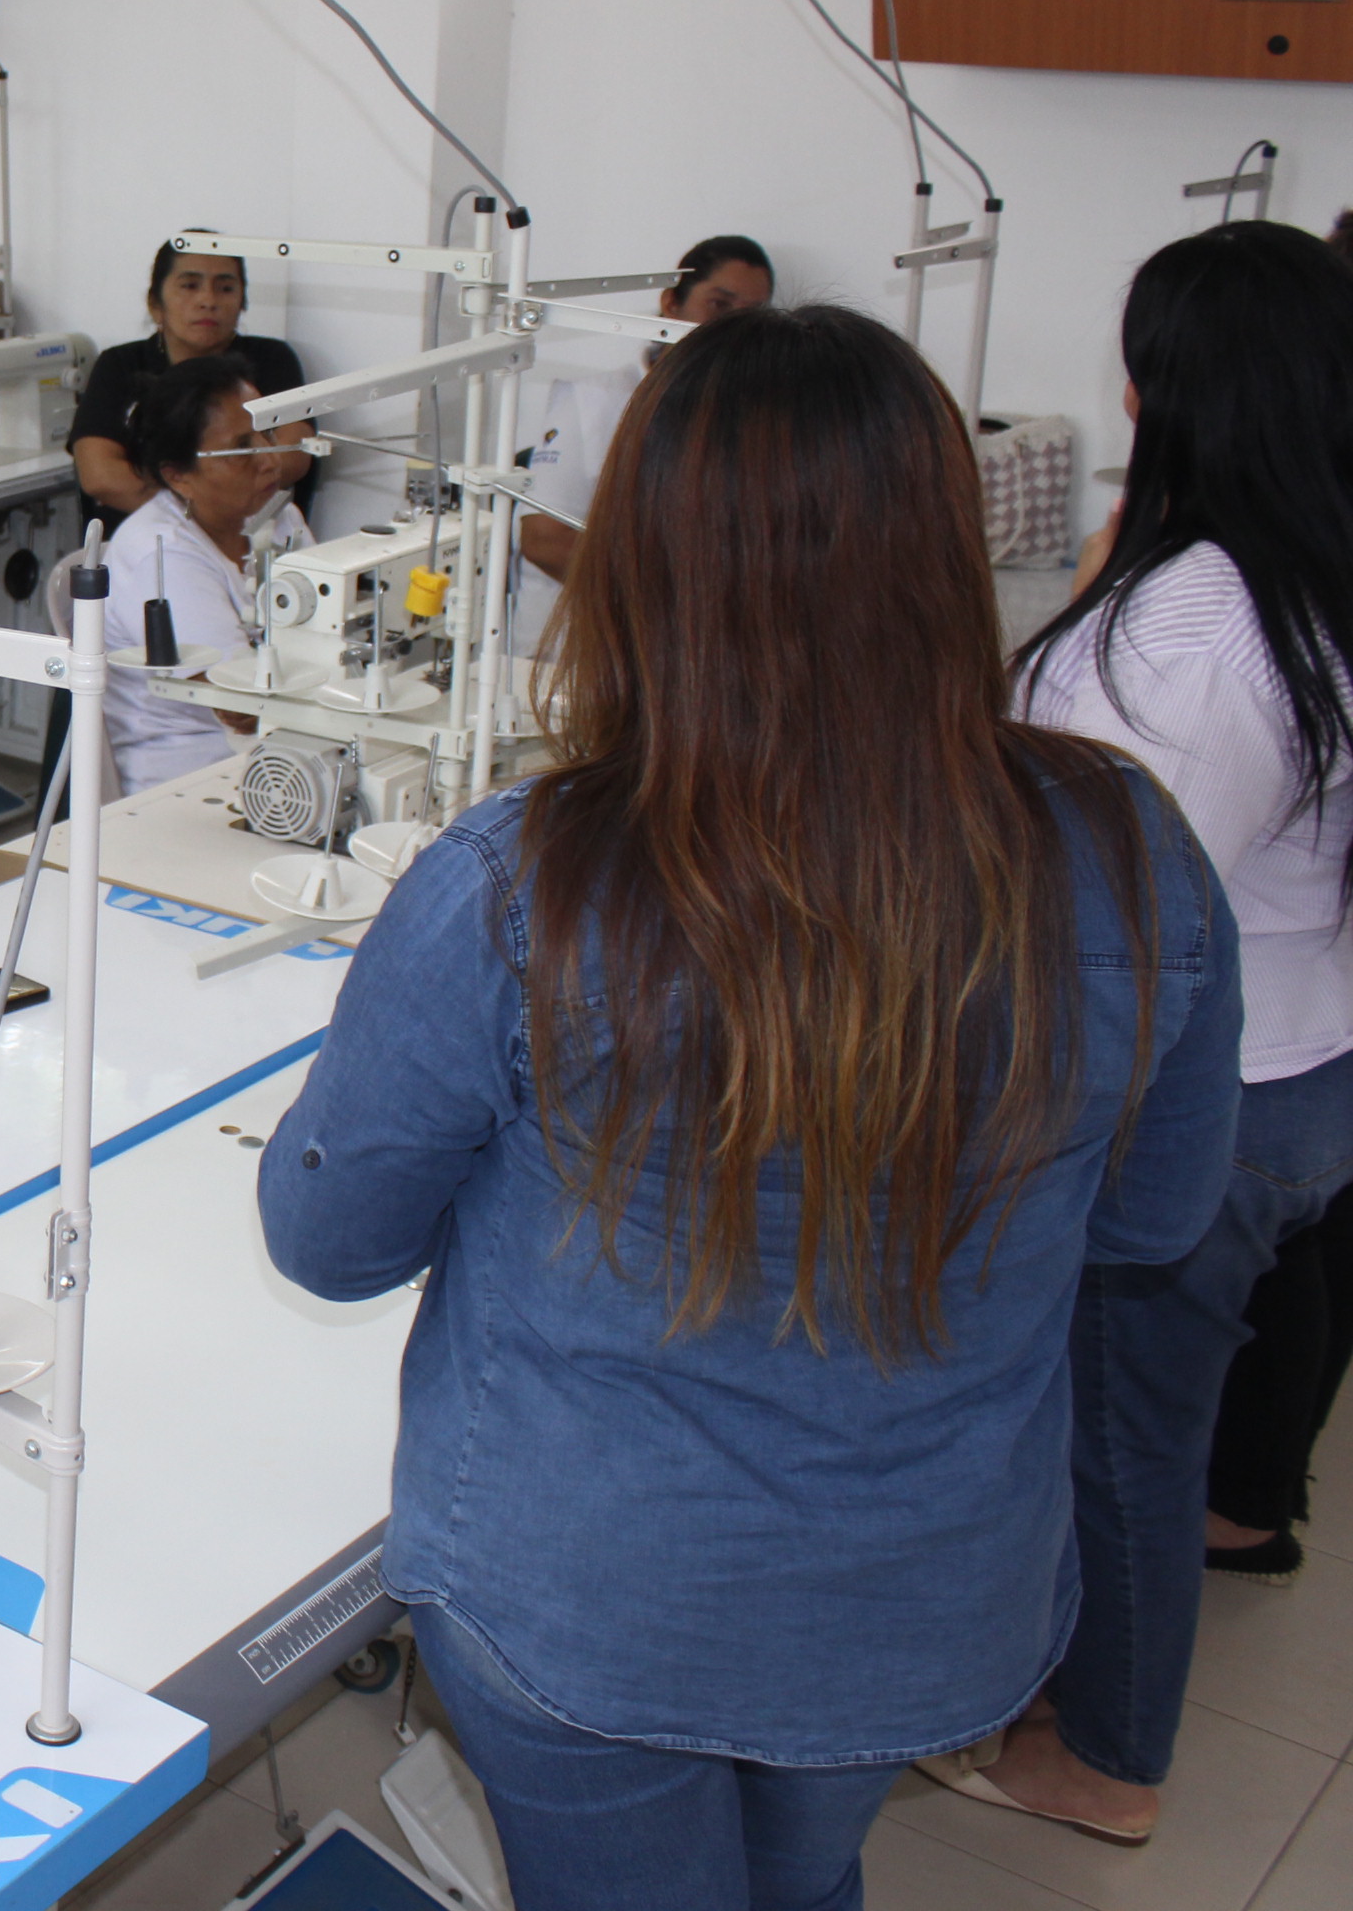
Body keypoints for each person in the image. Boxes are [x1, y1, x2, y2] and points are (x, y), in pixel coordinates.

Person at [261, 303, 1239, 1911]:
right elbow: (1152, 1219)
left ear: (644, 566)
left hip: (596, 1601)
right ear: (943, 551)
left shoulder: (525, 885)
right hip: (924, 1598)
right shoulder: (1128, 851)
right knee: (797, 1878)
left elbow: (331, 1241)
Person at [935, 221, 1353, 1846]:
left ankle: (1105, 1757)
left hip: (1195, 1103)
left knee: (1118, 1431)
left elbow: (1117, 925)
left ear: (1173, 387)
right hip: (1304, 1059)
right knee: (1155, 1412)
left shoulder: (1190, 635)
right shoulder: (1300, 571)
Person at [511, 234, 773, 645]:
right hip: (572, 651)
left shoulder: (753, 422)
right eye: (719, 305)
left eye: (751, 316)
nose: (732, 329)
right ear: (671, 303)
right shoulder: (593, 401)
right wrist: (672, 610)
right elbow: (545, 542)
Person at [92, 358, 314, 797]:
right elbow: (242, 704)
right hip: (189, 772)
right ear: (179, 476)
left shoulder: (279, 517)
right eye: (242, 449)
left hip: (280, 752)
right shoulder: (160, 554)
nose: (271, 460)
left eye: (269, 434)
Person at [66, 234, 308, 538]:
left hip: (248, 540)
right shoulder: (120, 365)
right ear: (155, 303)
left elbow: (293, 456)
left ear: (242, 303)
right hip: (142, 540)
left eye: (225, 288)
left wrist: (204, 507)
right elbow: (100, 476)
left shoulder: (271, 360)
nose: (208, 301)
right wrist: (202, 518)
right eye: (190, 285)